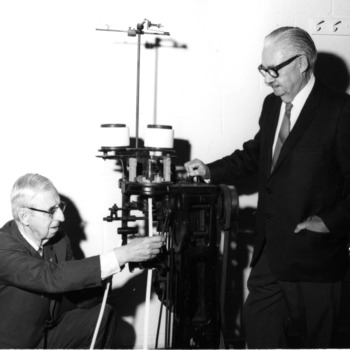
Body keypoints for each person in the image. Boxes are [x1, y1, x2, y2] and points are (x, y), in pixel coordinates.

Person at [185, 26, 350, 348]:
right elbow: (256, 155)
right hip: (269, 253)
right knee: (260, 332)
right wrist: (209, 170)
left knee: (320, 342)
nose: (268, 79)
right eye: (264, 70)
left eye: (274, 70)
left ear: (301, 62)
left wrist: (329, 222)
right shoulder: (272, 105)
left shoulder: (341, 110)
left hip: (314, 256)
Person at [0, 173, 165, 349]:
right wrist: (121, 255)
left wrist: (115, 276)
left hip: (46, 336)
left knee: (103, 315)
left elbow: (78, 294)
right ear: (25, 216)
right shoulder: (3, 246)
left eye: (59, 207)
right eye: (51, 211)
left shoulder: (59, 240)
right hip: (14, 344)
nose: (61, 217)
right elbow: (52, 277)